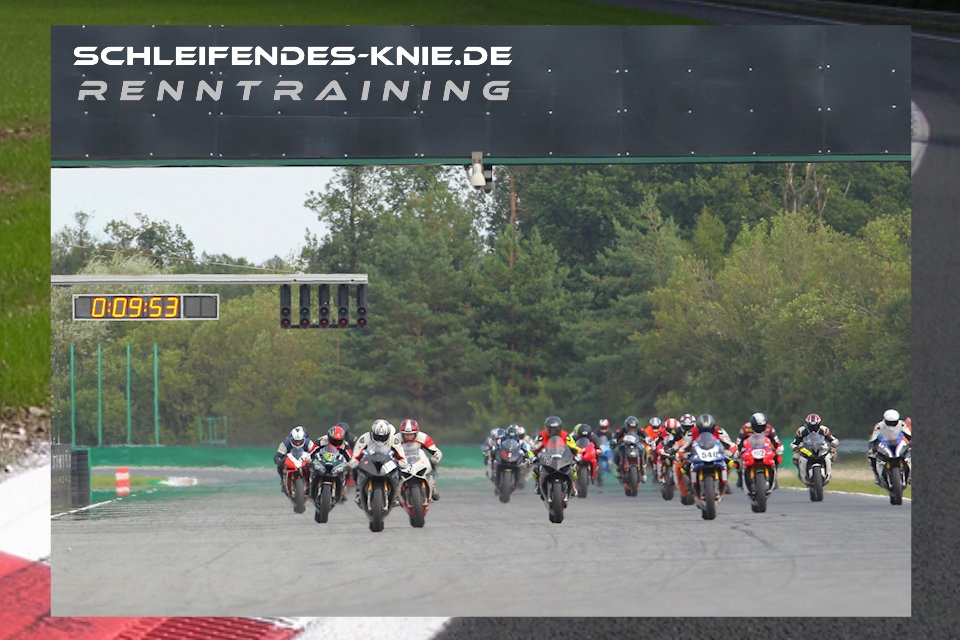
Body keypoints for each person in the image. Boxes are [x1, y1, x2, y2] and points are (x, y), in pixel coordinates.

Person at [348, 419, 409, 506]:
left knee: (399, 469)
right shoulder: (364, 438)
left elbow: (403, 459)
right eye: (378, 437)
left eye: (383, 437)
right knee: (355, 467)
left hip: (387, 461)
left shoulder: (394, 440)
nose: (380, 440)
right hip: (370, 460)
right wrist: (354, 462)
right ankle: (358, 490)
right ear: (372, 433)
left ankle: (395, 492)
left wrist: (399, 462)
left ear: (388, 434)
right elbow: (356, 455)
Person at [678, 413, 737, 494]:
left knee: (729, 462)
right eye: (702, 430)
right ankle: (691, 482)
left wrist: (730, 451)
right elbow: (684, 446)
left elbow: (730, 443)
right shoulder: (691, 432)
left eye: (709, 430)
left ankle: (725, 481)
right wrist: (683, 454)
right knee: (684, 467)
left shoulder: (719, 430)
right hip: (697, 453)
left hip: (716, 452)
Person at [530, 416, 582, 496]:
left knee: (573, 467)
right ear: (546, 428)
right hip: (547, 457)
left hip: (563, 457)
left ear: (560, 428)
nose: (553, 432)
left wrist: (578, 455)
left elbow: (574, 447)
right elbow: (533, 448)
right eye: (550, 429)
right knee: (535, 467)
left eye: (556, 429)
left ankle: (573, 484)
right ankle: (538, 483)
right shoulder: (541, 436)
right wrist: (532, 457)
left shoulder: (566, 435)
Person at [734, 412, 784, 489]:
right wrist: (737, 450)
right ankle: (740, 477)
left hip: (765, 449)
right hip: (749, 449)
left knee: (776, 457)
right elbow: (739, 441)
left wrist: (779, 448)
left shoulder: (769, 429)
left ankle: (774, 477)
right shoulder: (745, 428)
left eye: (762, 426)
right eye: (757, 426)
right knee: (738, 459)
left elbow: (776, 441)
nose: (760, 428)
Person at [398, 418, 444, 501]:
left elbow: (436, 451)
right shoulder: (396, 439)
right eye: (406, 434)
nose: (409, 437)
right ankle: (395, 492)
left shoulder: (424, 437)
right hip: (403, 461)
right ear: (402, 433)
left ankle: (432, 487)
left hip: (419, 460)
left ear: (416, 433)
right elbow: (388, 451)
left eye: (411, 434)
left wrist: (435, 457)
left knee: (432, 463)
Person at [867, 409, 912, 485]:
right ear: (885, 420)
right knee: (871, 456)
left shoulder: (902, 424)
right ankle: (877, 476)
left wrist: (910, 442)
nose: (892, 424)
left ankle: (911, 475)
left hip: (898, 444)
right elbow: (873, 438)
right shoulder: (879, 426)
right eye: (889, 422)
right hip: (885, 445)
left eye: (894, 422)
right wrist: (872, 448)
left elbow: (908, 435)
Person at [790, 413, 839, 482]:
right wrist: (795, 448)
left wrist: (833, 444)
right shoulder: (801, 431)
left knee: (832, 454)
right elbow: (794, 443)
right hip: (806, 449)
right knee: (795, 457)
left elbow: (833, 439)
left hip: (821, 447)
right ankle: (801, 473)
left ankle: (828, 472)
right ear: (807, 424)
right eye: (811, 426)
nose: (813, 428)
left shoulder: (824, 430)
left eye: (815, 426)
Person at [273, 425, 318, 494]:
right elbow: (278, 455)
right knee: (280, 467)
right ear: (291, 439)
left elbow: (315, 453)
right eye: (295, 441)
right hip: (290, 459)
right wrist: (279, 461)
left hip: (304, 459)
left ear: (304, 439)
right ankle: (283, 481)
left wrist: (314, 459)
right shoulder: (285, 443)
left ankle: (312, 484)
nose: (297, 443)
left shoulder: (309, 443)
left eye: (300, 441)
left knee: (314, 467)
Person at [315, 424, 354, 502]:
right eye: (334, 440)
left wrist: (350, 463)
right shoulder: (322, 440)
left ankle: (343, 488)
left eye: (338, 441)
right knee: (309, 465)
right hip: (323, 460)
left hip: (337, 462)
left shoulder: (345, 444)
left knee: (348, 469)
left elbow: (350, 457)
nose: (335, 442)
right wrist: (310, 458)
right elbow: (313, 450)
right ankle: (308, 485)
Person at [612, 415, 647, 483]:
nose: (632, 429)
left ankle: (643, 467)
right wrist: (615, 440)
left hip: (636, 445)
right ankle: (618, 468)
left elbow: (645, 435)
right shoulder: (622, 429)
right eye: (630, 427)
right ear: (626, 426)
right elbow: (616, 436)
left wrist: (647, 439)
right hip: (625, 445)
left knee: (643, 449)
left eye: (633, 427)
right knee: (618, 451)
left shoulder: (639, 429)